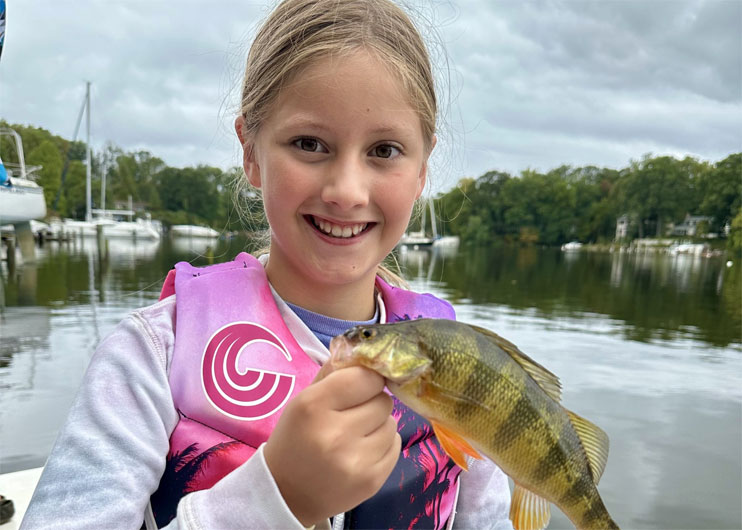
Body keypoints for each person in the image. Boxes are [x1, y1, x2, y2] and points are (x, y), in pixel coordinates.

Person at [21, 0, 513, 528]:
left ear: (422, 171)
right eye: (309, 144)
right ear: (251, 152)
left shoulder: (470, 372)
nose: (346, 192)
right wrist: (277, 499)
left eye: (385, 150)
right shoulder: (153, 353)